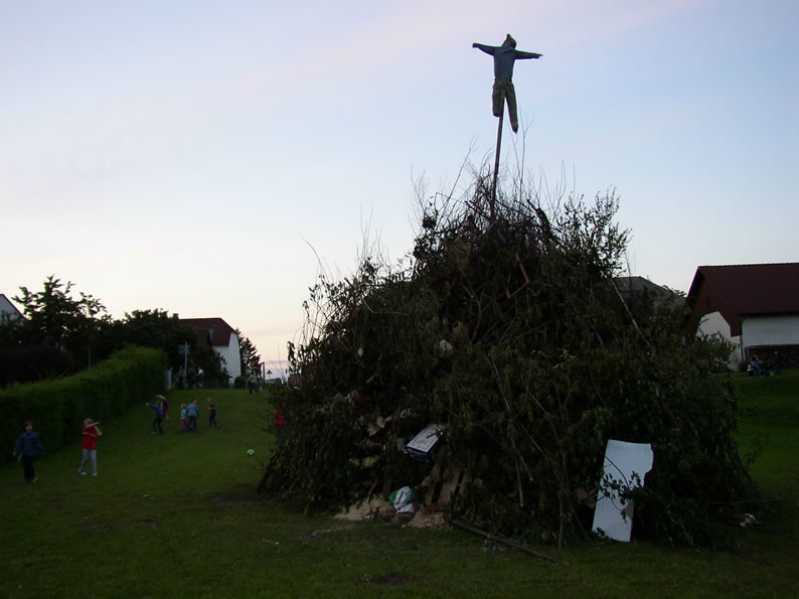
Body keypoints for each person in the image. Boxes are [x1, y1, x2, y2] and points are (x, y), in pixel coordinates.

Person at [472, 34, 542, 133]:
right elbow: (525, 54)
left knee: (504, 98)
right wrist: (534, 56)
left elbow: (524, 54)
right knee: (510, 101)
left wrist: (478, 45)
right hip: (504, 82)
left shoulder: (502, 51)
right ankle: (512, 121)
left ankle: (505, 116)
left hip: (502, 82)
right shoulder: (505, 51)